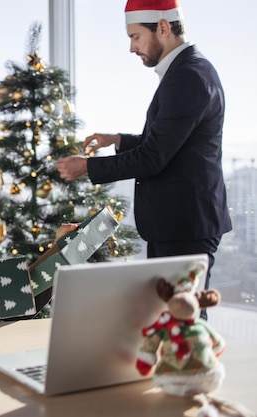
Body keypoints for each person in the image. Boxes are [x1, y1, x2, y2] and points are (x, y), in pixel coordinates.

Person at [55, 0, 232, 312]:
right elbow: (167, 144)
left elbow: (154, 156)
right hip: (178, 225)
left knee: (182, 322)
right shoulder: (185, 71)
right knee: (171, 321)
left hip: (185, 227)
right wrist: (117, 140)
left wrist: (86, 167)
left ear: (162, 28)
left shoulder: (188, 76)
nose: (132, 48)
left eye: (135, 37)